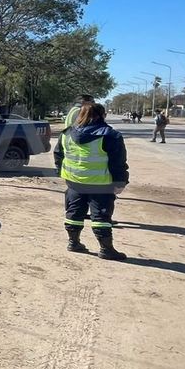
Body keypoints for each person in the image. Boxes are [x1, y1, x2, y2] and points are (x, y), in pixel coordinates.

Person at [53, 102, 129, 261]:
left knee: (74, 212)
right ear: (102, 116)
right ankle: (106, 249)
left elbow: (58, 155)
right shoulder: (111, 135)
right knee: (101, 216)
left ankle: (73, 243)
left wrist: (63, 173)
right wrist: (120, 182)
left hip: (74, 182)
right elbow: (118, 162)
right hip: (100, 184)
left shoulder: (66, 134)